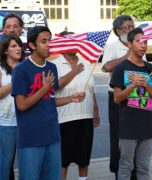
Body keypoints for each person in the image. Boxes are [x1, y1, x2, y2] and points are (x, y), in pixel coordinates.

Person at [11, 26, 86, 179]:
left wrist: (70, 98)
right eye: (43, 41)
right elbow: (22, 105)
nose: (48, 45)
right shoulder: (21, 70)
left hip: (53, 136)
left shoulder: (51, 67)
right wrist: (44, 88)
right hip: (31, 138)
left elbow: (49, 101)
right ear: (32, 45)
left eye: (49, 41)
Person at [110, 28, 152, 180]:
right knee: (126, 166)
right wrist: (132, 86)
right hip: (128, 127)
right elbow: (117, 98)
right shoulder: (121, 68)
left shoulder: (150, 68)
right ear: (129, 44)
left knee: (144, 167)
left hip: (147, 127)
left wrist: (147, 85)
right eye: (139, 41)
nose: (143, 45)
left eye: (145, 41)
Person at [51, 31, 100, 180]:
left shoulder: (85, 62)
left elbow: (91, 89)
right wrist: (74, 71)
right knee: (63, 160)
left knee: (83, 159)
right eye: (70, 40)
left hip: (85, 116)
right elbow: (55, 86)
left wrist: (95, 111)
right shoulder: (55, 64)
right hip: (64, 118)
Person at [101, 15, 137, 179]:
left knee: (136, 135)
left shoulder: (138, 44)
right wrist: (128, 55)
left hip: (136, 95)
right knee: (119, 136)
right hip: (118, 97)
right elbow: (107, 67)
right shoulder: (112, 47)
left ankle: (135, 172)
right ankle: (119, 172)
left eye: (132, 26)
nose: (130, 30)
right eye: (126, 27)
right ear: (117, 31)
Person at [0, 34, 25, 180]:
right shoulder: (1, 69)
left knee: (25, 162)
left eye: (19, 45)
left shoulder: (25, 66)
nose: (18, 48)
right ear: (5, 51)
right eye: (14, 46)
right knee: (6, 161)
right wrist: (15, 80)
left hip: (24, 121)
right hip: (5, 123)